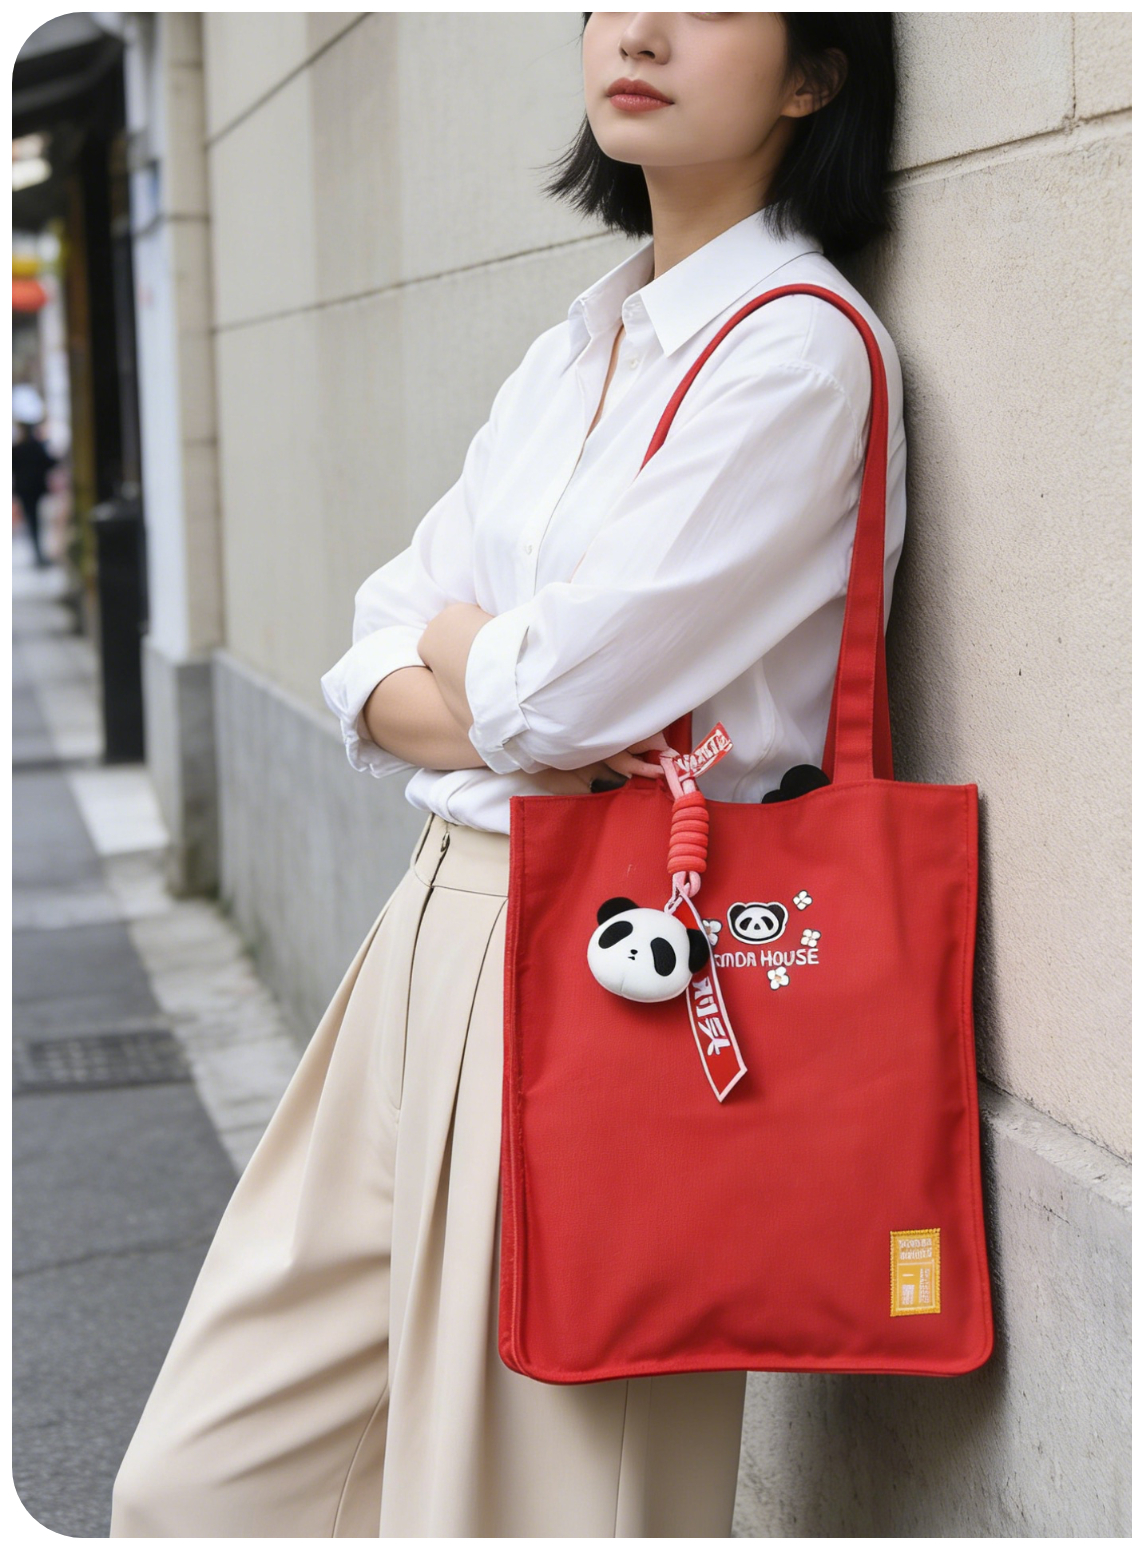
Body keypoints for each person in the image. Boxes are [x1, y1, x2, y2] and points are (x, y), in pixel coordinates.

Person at [110, 12, 905, 1537]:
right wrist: (491, 671)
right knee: (198, 1484)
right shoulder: (578, 345)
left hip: (629, 963)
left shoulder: (799, 354)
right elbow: (375, 650)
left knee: (538, 1508)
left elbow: (558, 693)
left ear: (814, 76)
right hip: (428, 936)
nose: (640, 31)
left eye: (714, 4)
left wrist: (474, 657)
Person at [13, 414, 58, 567]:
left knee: (32, 520)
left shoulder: (17, 448)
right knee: (35, 520)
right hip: (35, 489)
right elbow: (50, 463)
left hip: (24, 490)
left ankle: (38, 553)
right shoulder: (36, 446)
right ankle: (38, 554)